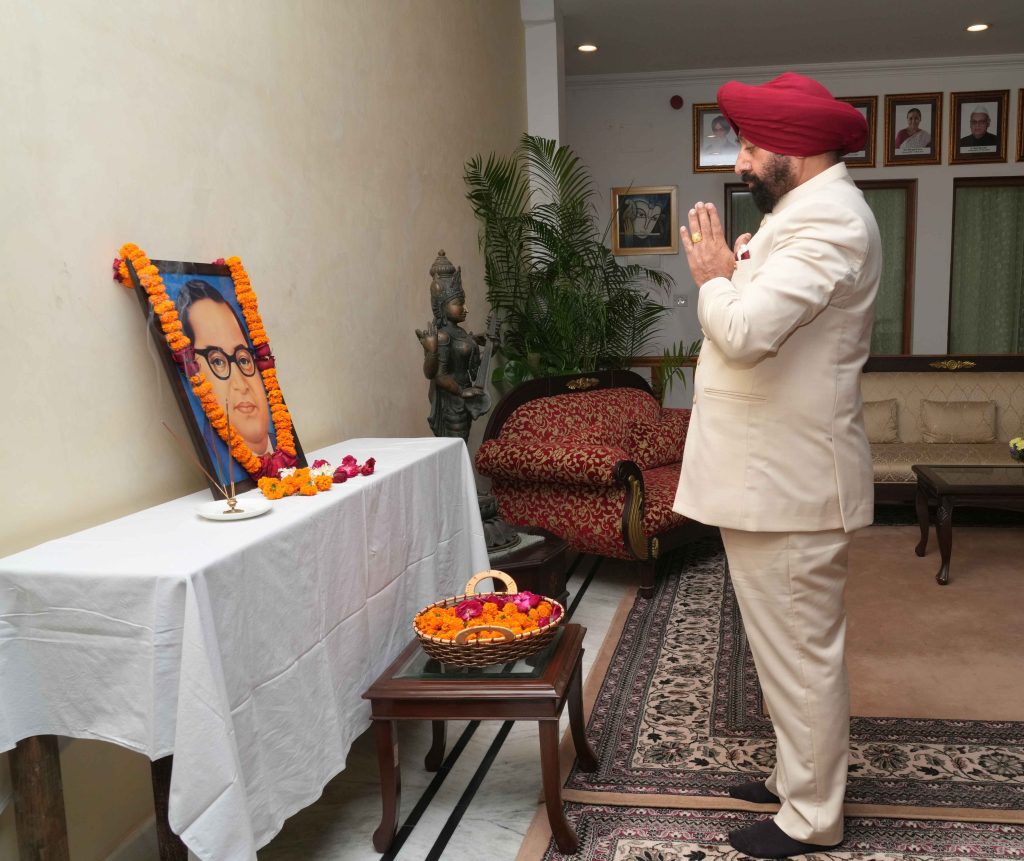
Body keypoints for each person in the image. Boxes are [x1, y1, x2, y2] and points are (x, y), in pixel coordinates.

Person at [673, 71, 882, 859]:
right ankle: (797, 777)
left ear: (797, 149)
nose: (740, 162)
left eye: (752, 147)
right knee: (782, 651)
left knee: (800, 655)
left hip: (791, 484)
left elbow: (746, 331)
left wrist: (714, 277)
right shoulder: (800, 214)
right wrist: (731, 272)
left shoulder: (832, 223)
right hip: (769, 481)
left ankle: (813, 815)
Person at [175, 279, 274, 458]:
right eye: (218, 362)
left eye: (243, 360)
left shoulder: (285, 448)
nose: (241, 385)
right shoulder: (216, 464)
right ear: (193, 372)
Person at [415, 251, 487, 441]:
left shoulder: (460, 332)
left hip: (465, 397)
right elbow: (438, 376)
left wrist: (489, 347)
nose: (465, 308)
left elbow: (470, 364)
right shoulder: (442, 336)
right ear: (441, 306)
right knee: (455, 446)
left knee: (462, 444)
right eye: (459, 303)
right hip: (452, 401)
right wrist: (461, 392)